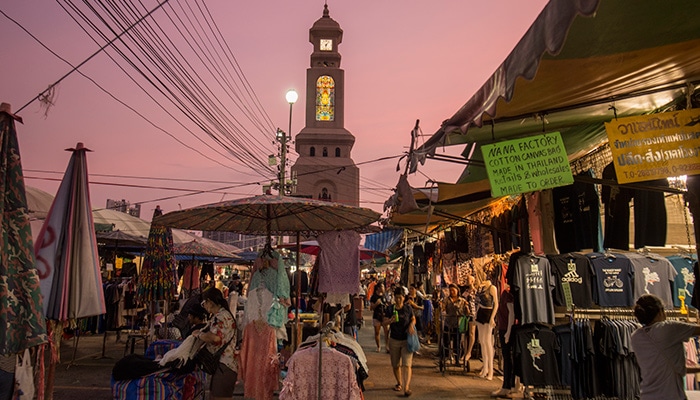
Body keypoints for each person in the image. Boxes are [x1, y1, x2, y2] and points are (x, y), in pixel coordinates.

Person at [631, 294, 700, 399]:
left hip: (647, 395)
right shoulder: (667, 329)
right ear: (660, 312)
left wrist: (696, 369)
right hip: (670, 396)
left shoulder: (636, 337)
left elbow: (663, 367)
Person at [193, 288, 238, 400]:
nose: (204, 306)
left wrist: (199, 334)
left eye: (204, 303)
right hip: (223, 366)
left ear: (210, 301)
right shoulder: (221, 315)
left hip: (224, 366)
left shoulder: (221, 317)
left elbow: (215, 338)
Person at [386, 287, 416, 397]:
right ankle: (399, 382)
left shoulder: (408, 308)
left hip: (406, 340)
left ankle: (406, 387)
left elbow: (413, 318)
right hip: (394, 339)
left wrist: (412, 325)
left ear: (404, 297)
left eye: (400, 298)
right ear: (394, 297)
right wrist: (390, 320)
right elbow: (384, 322)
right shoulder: (390, 309)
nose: (398, 300)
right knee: (395, 364)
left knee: (407, 364)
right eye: (397, 297)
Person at [492, 283, 516, 397]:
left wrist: (508, 332)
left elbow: (512, 313)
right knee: (511, 357)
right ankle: (513, 385)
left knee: (508, 358)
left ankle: (507, 386)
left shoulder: (508, 294)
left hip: (507, 328)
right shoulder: (506, 293)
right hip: (507, 328)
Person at [474, 267, 498, 380]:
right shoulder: (481, 288)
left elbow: (496, 304)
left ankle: (491, 370)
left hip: (489, 313)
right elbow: (478, 303)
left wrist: (493, 318)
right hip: (481, 313)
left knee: (488, 342)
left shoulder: (492, 288)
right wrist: (475, 315)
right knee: (482, 341)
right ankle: (485, 368)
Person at [441, 283, 468, 366]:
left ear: (457, 290)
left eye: (453, 290)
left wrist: (467, 308)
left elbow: (467, 313)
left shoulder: (462, 301)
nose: (452, 292)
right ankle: (447, 357)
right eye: (450, 290)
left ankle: (457, 359)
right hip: (448, 323)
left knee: (457, 342)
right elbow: (443, 309)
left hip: (458, 324)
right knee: (446, 341)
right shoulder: (446, 300)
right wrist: (442, 309)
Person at [370, 283, 390, 352]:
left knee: (386, 332)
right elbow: (371, 308)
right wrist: (376, 304)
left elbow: (387, 303)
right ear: (378, 288)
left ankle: (387, 346)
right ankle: (378, 346)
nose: (383, 288)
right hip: (377, 316)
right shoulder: (374, 297)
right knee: (377, 332)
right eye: (382, 286)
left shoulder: (384, 296)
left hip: (384, 316)